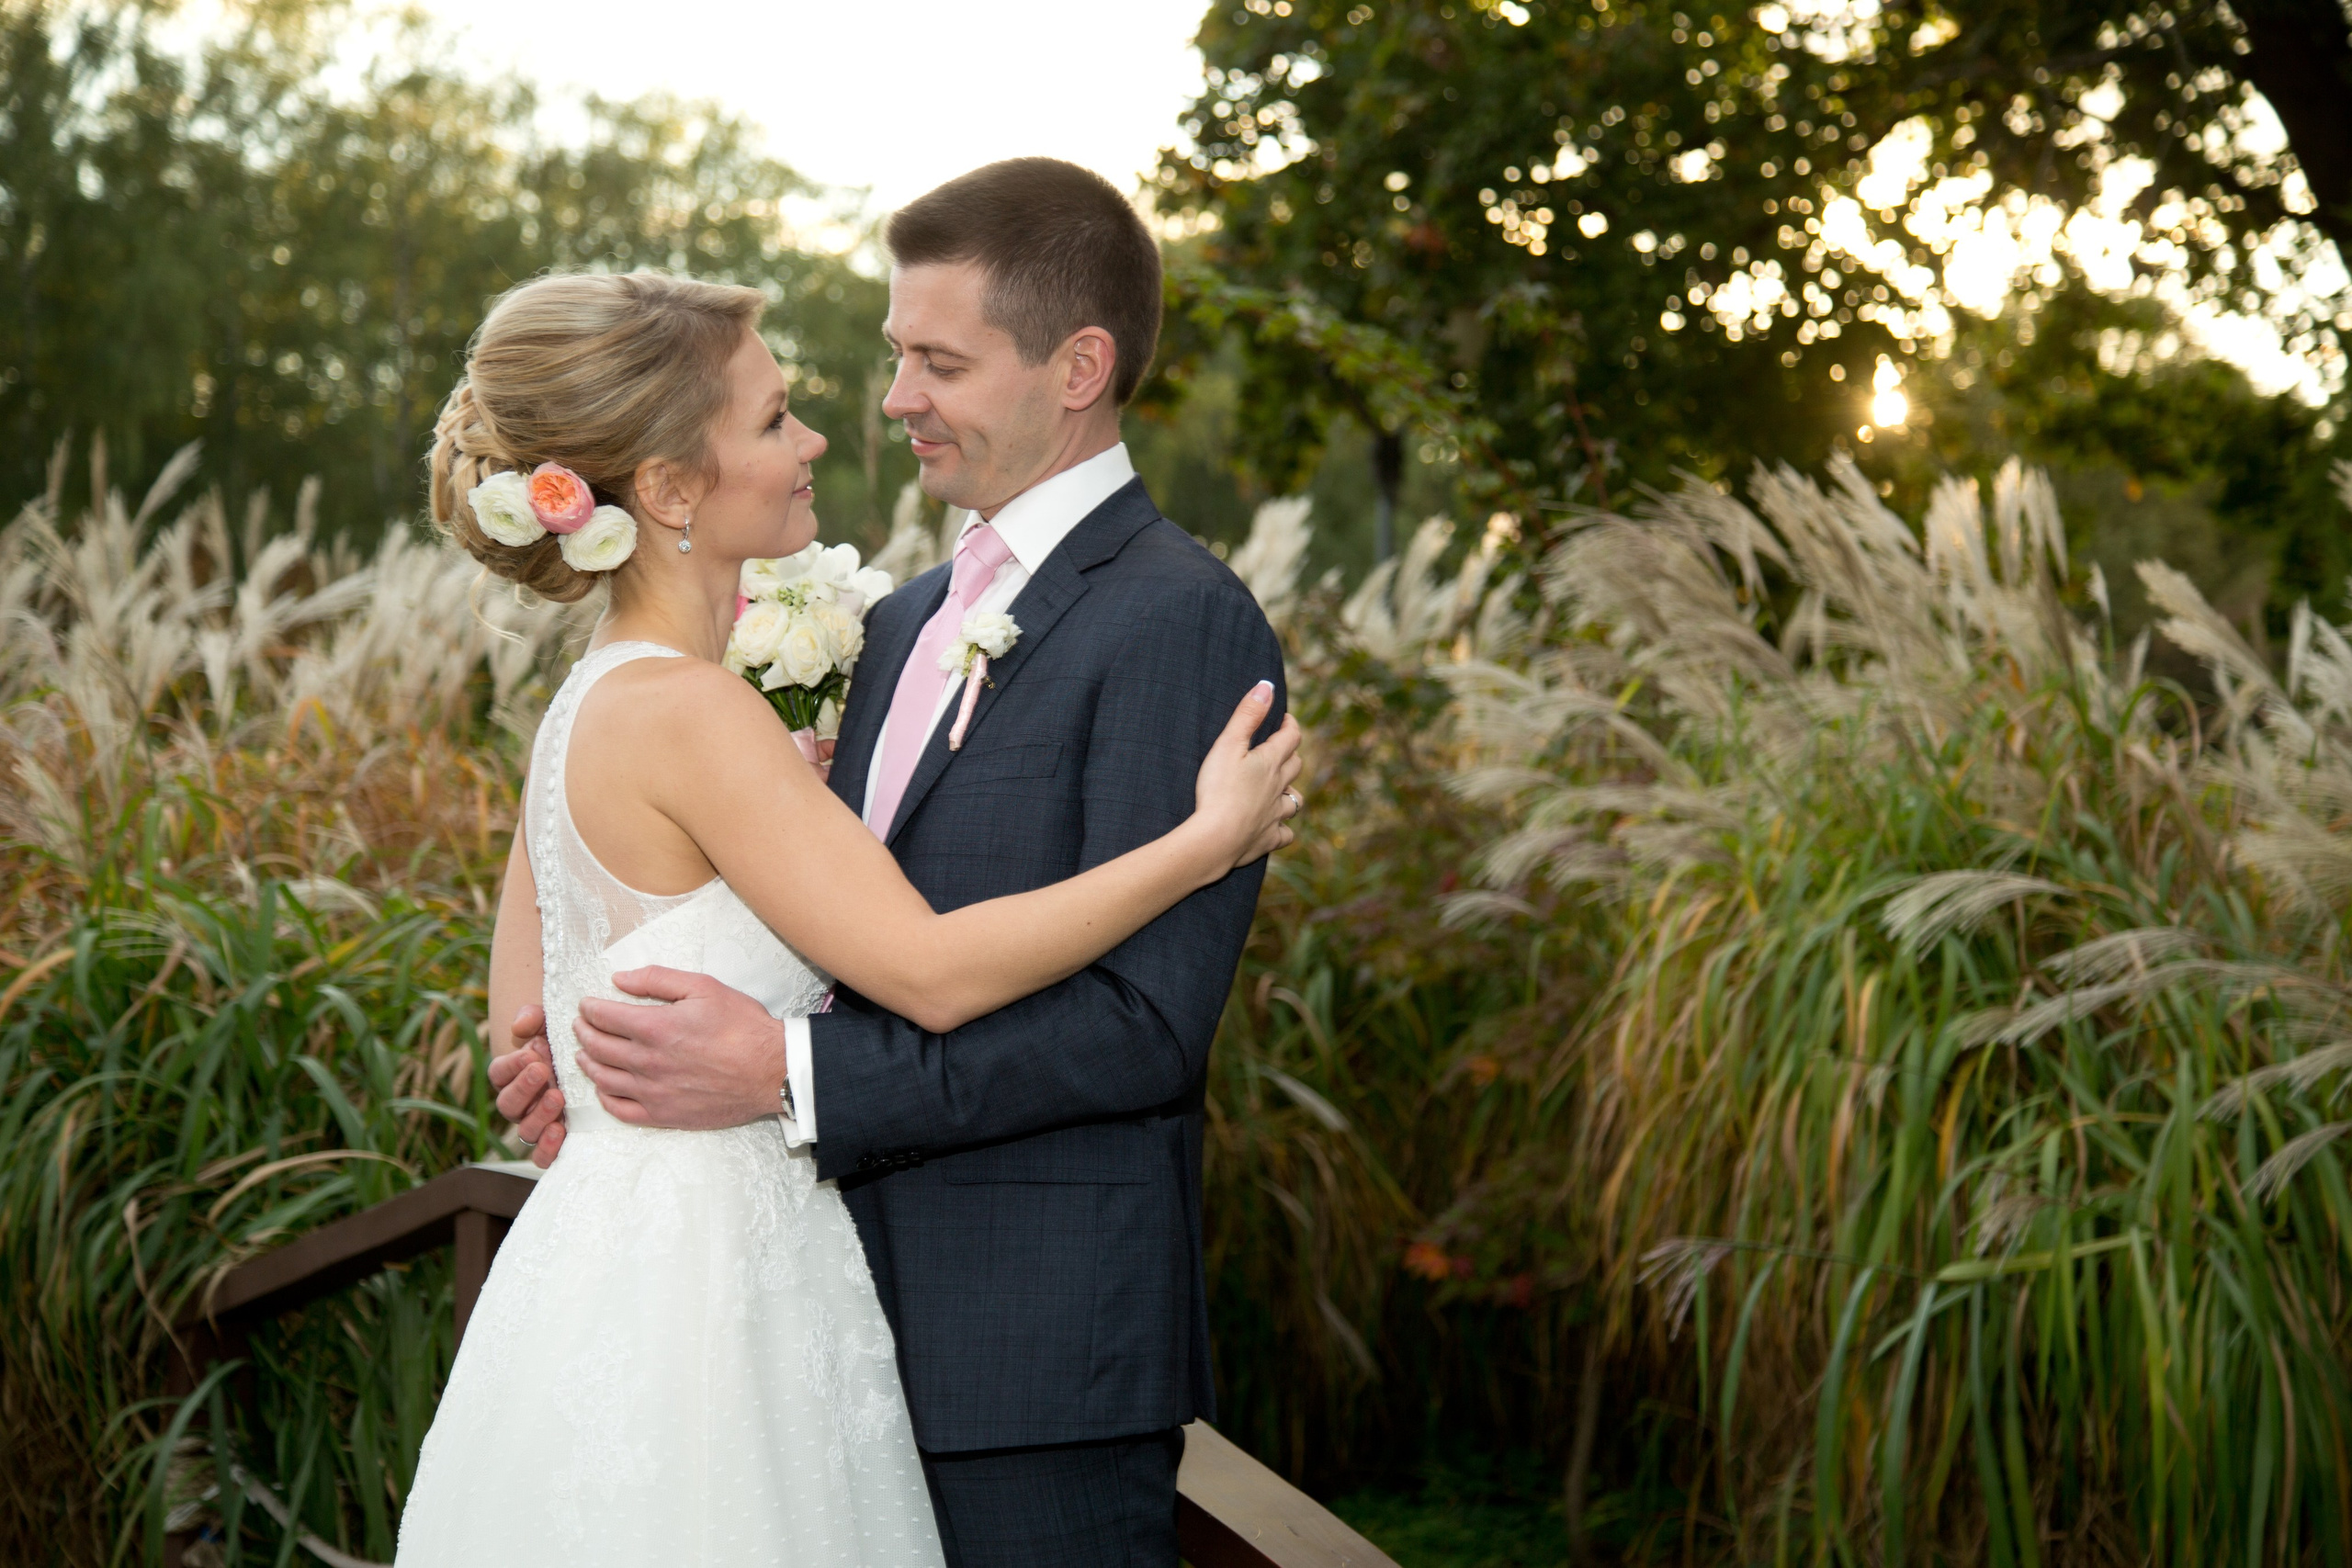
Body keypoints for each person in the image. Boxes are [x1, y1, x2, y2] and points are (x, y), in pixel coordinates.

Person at [393, 260, 1300, 1567]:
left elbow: (530, 1025)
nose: (823, 432)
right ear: (666, 491)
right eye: (771, 419)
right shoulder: (698, 714)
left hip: (613, 1285)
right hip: (718, 1307)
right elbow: (929, 970)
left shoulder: (596, 703)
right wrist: (1200, 843)